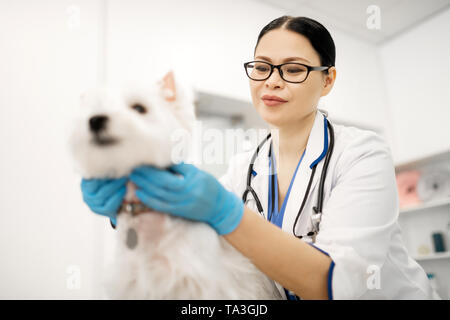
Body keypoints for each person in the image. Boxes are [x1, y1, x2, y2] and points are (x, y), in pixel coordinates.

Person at [81, 16, 439, 300]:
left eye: (294, 69)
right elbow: (190, 228)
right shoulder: (245, 165)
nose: (272, 82)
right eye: (262, 67)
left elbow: (335, 285)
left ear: (327, 80)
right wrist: (131, 202)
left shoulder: (363, 154)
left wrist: (225, 213)